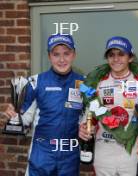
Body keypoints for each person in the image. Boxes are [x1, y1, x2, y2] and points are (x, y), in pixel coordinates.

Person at [4, 33, 84, 176]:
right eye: (56, 54)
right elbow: (25, 119)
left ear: (74, 55)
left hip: (70, 153)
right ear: (49, 56)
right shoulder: (35, 82)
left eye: (66, 53)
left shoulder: (84, 83)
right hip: (42, 152)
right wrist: (15, 116)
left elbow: (87, 118)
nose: (61, 59)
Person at [79, 36, 138, 176]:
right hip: (103, 150)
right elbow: (90, 115)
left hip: (131, 152)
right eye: (111, 55)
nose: (116, 59)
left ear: (130, 57)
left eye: (121, 54)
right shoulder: (99, 82)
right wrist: (85, 128)